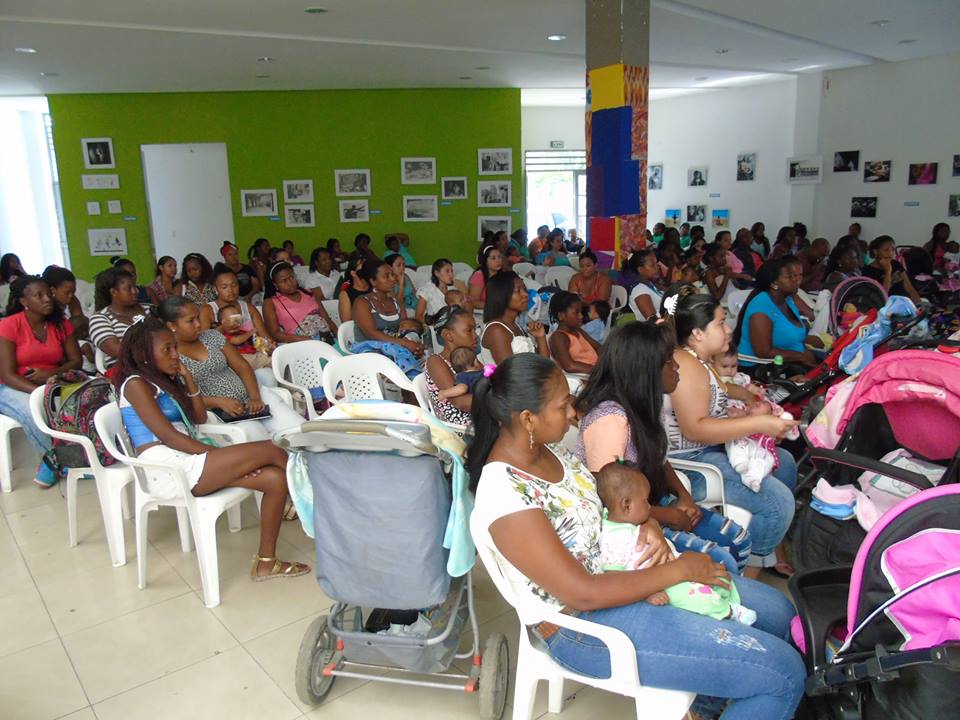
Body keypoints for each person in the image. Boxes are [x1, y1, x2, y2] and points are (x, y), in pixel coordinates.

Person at [467, 354, 805, 718]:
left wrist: (647, 523)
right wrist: (681, 570)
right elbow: (582, 592)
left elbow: (608, 502)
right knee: (782, 675)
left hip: (626, 574)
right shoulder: (505, 495)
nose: (572, 413)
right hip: (583, 626)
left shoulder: (550, 453)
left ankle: (707, 704)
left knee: (782, 614)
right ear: (527, 419)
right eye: (563, 406)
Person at [114, 317, 309, 580]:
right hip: (166, 467)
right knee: (272, 451)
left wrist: (188, 380)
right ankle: (320, 501)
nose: (175, 355)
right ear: (144, 354)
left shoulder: (163, 380)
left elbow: (198, 418)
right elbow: (169, 437)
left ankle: (266, 562)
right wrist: (221, 459)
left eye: (174, 347)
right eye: (166, 350)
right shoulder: (136, 384)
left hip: (189, 458)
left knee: (274, 479)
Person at [575, 321, 752, 574]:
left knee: (738, 541)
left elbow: (658, 458)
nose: (677, 366)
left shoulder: (646, 403)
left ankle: (726, 591)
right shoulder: (610, 420)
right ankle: (714, 594)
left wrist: (684, 497)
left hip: (653, 502)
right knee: (721, 560)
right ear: (645, 370)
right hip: (627, 522)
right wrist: (670, 516)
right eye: (669, 361)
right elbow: (609, 499)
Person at [664, 288, 799, 578]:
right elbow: (695, 428)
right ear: (698, 333)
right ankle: (748, 578)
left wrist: (752, 399)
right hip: (689, 466)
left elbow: (723, 390)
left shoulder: (701, 362)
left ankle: (767, 548)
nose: (728, 330)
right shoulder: (687, 364)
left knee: (785, 463)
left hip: (707, 451)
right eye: (721, 323)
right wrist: (760, 425)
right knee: (779, 505)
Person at [596, 462, 756, 624]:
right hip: (658, 583)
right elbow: (614, 577)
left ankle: (727, 597)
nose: (649, 506)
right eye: (645, 501)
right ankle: (728, 611)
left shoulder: (625, 519)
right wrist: (646, 593)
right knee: (693, 596)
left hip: (670, 567)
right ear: (626, 505)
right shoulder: (615, 538)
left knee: (716, 575)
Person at [160, 296, 301, 438]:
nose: (198, 324)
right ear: (172, 326)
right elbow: (179, 396)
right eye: (191, 321)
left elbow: (242, 366)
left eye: (198, 318)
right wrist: (218, 402)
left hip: (253, 397)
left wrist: (255, 397)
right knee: (257, 436)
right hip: (221, 415)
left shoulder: (212, 336)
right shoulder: (169, 356)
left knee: (297, 428)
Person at [0, 275, 82, 486]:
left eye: (48, 294)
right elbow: (7, 374)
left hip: (50, 382)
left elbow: (76, 361)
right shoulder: (9, 325)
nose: (47, 299)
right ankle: (62, 462)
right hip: (10, 386)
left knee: (80, 402)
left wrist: (49, 375)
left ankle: (55, 463)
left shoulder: (61, 324)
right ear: (24, 301)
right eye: (39, 295)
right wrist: (40, 394)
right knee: (32, 409)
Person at [734, 257, 820, 371]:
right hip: (762, 368)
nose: (797, 280)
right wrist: (800, 356)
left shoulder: (786, 300)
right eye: (789, 277)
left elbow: (791, 328)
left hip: (790, 360)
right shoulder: (761, 308)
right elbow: (763, 352)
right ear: (774, 283)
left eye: (797, 276)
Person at [198, 266, 273, 371]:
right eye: (224, 287)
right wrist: (223, 328)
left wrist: (270, 346)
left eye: (234, 285)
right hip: (226, 361)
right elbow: (204, 341)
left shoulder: (249, 308)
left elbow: (264, 336)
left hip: (255, 355)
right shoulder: (208, 310)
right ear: (215, 289)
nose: (230, 290)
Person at [352, 260, 424, 356]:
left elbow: (406, 327)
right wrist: (405, 343)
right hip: (370, 354)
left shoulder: (397, 303)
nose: (393, 279)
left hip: (395, 351)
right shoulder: (362, 302)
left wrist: (415, 344)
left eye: (392, 275)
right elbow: (372, 333)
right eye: (386, 276)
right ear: (373, 281)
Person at [478, 272, 548, 365]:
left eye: (524, 289)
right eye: (518, 291)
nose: (526, 294)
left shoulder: (516, 325)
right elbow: (510, 371)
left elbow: (544, 364)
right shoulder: (496, 330)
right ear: (502, 295)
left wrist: (540, 337)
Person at [424, 306, 477, 427]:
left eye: (475, 329)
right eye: (469, 331)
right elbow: (460, 402)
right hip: (461, 427)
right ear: (448, 336)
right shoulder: (436, 361)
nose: (475, 336)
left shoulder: (471, 358)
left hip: (481, 414)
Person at [263, 262, 336, 344]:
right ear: (275, 284)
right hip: (301, 343)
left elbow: (326, 318)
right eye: (284, 281)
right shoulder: (270, 302)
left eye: (292, 277)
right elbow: (275, 334)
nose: (290, 283)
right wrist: (308, 339)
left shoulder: (309, 293)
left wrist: (339, 336)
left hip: (327, 339)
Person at [88, 267, 146, 369]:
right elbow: (117, 351)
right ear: (113, 292)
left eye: (135, 286)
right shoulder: (99, 319)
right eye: (128, 288)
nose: (135, 291)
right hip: (125, 370)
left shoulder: (149, 310)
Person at [42, 265, 93, 368]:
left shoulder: (72, 301)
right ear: (53, 290)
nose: (71, 296)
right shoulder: (46, 310)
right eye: (67, 293)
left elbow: (80, 326)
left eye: (73, 292)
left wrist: (76, 307)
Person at [547, 291, 599, 374]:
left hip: (596, 370)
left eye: (581, 312)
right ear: (561, 315)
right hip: (586, 376)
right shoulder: (558, 337)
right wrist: (599, 371)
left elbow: (598, 347)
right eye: (576, 313)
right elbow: (569, 366)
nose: (581, 316)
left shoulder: (577, 330)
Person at [861, 236, 922, 305]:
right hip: (887, 307)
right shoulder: (868, 271)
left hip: (905, 304)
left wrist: (919, 305)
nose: (890, 253)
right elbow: (881, 296)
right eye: (886, 250)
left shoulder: (896, 264)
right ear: (875, 252)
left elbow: (910, 289)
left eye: (893, 250)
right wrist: (888, 272)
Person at [415, 258, 471, 323]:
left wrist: (465, 292)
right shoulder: (426, 290)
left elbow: (469, 312)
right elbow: (418, 317)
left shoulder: (454, 288)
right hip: (435, 324)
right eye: (447, 271)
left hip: (457, 322)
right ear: (437, 273)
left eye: (452, 271)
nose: (451, 274)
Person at [626, 249, 663, 321]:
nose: (657, 267)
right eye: (652, 265)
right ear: (640, 269)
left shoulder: (649, 285)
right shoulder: (639, 290)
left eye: (656, 263)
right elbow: (653, 321)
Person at [468, 246, 503, 310]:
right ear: (486, 261)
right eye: (493, 258)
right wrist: (493, 307)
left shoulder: (502, 274)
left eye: (499, 257)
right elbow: (473, 302)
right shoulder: (479, 276)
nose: (498, 261)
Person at [336, 256, 370, 323]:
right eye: (362, 264)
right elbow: (346, 322)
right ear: (353, 273)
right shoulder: (346, 294)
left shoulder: (375, 287)